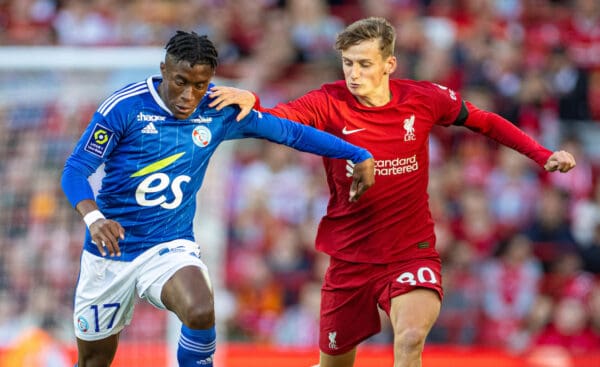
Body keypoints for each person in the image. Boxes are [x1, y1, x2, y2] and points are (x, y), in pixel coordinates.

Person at [208, 17, 577, 367]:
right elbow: (278, 119)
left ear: (389, 64)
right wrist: (251, 104)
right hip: (350, 260)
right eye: (348, 64)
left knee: (410, 337)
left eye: (365, 64)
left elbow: (483, 120)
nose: (354, 74)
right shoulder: (328, 101)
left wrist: (542, 154)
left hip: (409, 253)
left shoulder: (423, 98)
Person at [60, 30, 375, 367]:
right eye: (181, 81)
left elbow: (289, 131)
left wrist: (356, 153)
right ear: (164, 69)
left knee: (199, 310)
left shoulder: (218, 108)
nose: (189, 95)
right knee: (93, 362)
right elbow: (76, 169)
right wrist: (94, 218)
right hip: (111, 249)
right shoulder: (124, 107)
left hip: (168, 245)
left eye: (200, 85)